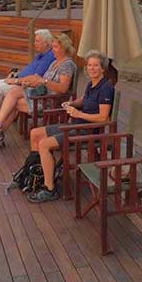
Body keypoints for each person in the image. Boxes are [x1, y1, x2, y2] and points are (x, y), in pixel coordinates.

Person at [27, 50, 114, 202]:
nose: (91, 68)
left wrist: (78, 114)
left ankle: (50, 188)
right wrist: (72, 104)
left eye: (95, 66)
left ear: (103, 69)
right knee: (35, 133)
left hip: (87, 132)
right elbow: (83, 100)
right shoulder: (92, 84)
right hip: (76, 126)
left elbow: (103, 118)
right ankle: (40, 173)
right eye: (89, 65)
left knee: (44, 144)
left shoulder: (106, 88)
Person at [0, 33, 77, 148]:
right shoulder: (55, 62)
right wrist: (31, 82)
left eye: (55, 47)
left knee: (13, 99)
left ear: (64, 48)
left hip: (50, 100)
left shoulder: (67, 65)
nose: (53, 50)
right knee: (13, 95)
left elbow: (63, 88)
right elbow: (43, 81)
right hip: (42, 94)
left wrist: (43, 81)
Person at [0, 29, 54, 134]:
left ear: (47, 43)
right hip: (18, 79)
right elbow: (29, 70)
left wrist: (15, 80)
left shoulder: (48, 57)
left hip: (26, 86)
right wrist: (16, 74)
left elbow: (35, 77)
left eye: (37, 41)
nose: (34, 44)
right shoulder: (40, 55)